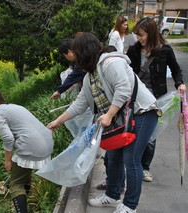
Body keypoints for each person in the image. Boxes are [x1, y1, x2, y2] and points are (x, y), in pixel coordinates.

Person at [47, 32, 159, 213]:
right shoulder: (90, 76)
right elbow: (80, 104)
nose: (75, 58)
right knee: (113, 157)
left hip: (142, 112)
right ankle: (113, 196)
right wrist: (58, 121)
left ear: (84, 52)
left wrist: (109, 115)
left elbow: (124, 89)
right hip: (123, 116)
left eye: (76, 53)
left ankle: (130, 206)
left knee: (131, 160)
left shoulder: (110, 63)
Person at [127, 17, 186, 182]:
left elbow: (176, 70)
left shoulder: (165, 50)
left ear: (151, 33)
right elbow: (127, 72)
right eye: (137, 35)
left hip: (155, 100)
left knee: (150, 136)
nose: (139, 38)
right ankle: (133, 164)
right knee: (132, 131)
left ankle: (144, 167)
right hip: (136, 98)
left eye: (142, 35)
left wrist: (180, 83)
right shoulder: (133, 50)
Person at [0, 87, 54, 213]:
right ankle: (25, 200)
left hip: (31, 145)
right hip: (47, 142)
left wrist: (8, 160)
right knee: (22, 172)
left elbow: (8, 138)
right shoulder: (13, 106)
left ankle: (20, 207)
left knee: (16, 184)